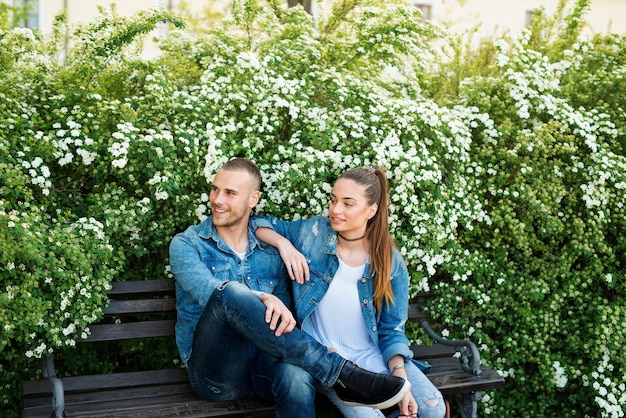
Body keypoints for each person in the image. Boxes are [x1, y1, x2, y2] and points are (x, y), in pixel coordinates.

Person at [169, 158, 411, 418]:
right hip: (215, 375)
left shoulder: (270, 252)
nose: (217, 199)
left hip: (265, 364)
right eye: (215, 189)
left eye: (230, 193)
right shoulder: (187, 244)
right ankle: (339, 373)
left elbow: (286, 321)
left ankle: (337, 372)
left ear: (253, 199)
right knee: (230, 292)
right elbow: (208, 292)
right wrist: (263, 297)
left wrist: (283, 245)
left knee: (296, 374)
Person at [253, 166, 447, 418]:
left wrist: (401, 382)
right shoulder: (313, 233)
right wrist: (284, 244)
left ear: (371, 210)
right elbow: (257, 224)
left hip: (375, 356)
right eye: (333, 200)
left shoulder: (389, 262)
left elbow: (391, 330)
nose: (335, 210)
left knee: (434, 409)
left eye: (348, 203)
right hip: (331, 363)